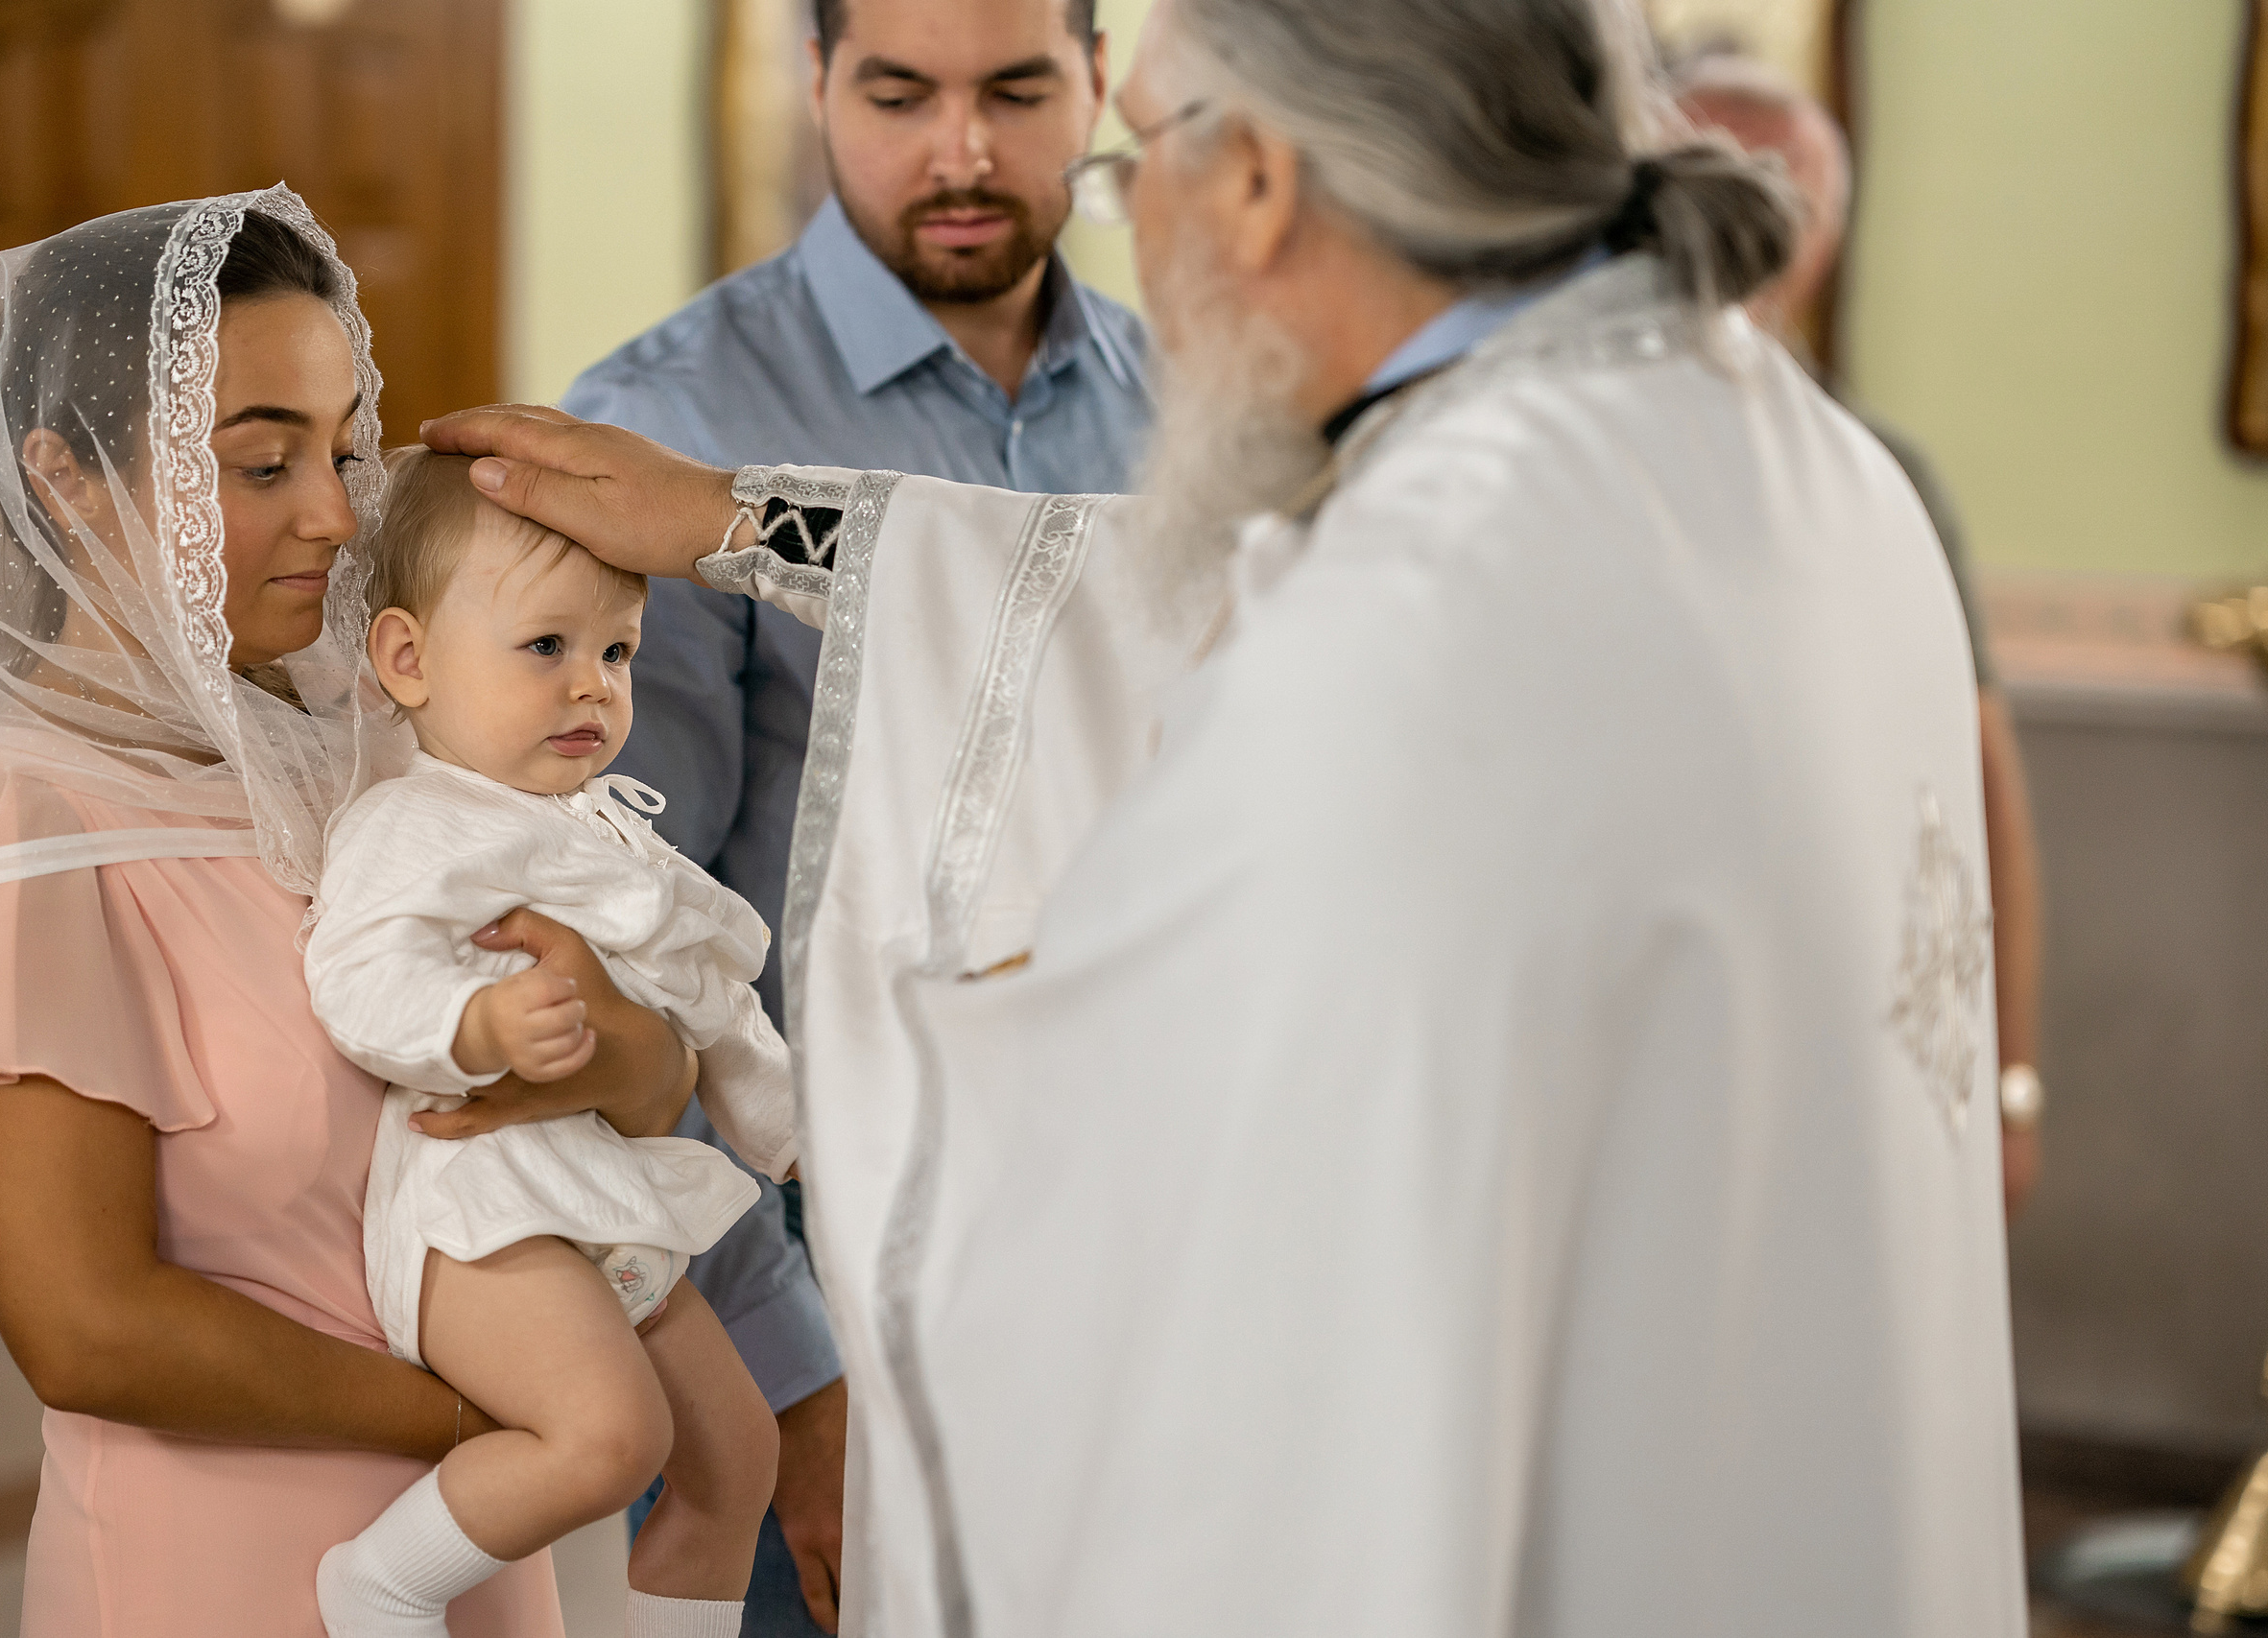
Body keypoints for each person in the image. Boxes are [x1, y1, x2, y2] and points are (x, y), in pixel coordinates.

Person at [428, 0, 2031, 1632]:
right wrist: (736, 519)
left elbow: (1175, 1118)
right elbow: (1159, 594)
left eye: (1135, 164)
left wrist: (955, 1039)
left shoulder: (1435, 573)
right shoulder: (1792, 452)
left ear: (1255, 177)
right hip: (1767, 1438)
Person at [0, 189, 696, 1635]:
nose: (339, 510)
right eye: (260, 459)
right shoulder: (24, 817)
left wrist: (620, 1047)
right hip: (223, 1563)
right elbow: (88, 1325)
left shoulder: (371, 743)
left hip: (474, 1541)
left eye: (347, 440)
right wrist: (508, 1422)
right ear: (67, 477)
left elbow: (631, 1089)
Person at [558, 0, 1149, 1626]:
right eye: (900, 92)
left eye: (1020, 89)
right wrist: (791, 1389)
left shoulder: (1192, 410)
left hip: (1133, 1241)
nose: (960, 152)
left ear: (1100, 82)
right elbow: (628, 941)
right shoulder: (665, 432)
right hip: (824, 1257)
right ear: (815, 83)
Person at [306, 449, 800, 1638]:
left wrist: (792, 1137)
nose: (594, 688)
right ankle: (382, 1584)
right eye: (548, 649)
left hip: (605, 1198)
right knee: (609, 1440)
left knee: (736, 1456)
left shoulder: (608, 832)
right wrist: (473, 1023)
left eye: (618, 653)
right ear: (406, 659)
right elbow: (355, 973)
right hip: (482, 1212)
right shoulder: (415, 821)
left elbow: (714, 994)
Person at [1676, 53, 2048, 1216]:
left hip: (1833, 1038)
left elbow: (1980, 798)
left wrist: (2010, 1082)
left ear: (1819, 239)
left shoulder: (1881, 480)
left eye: (1773, 195)